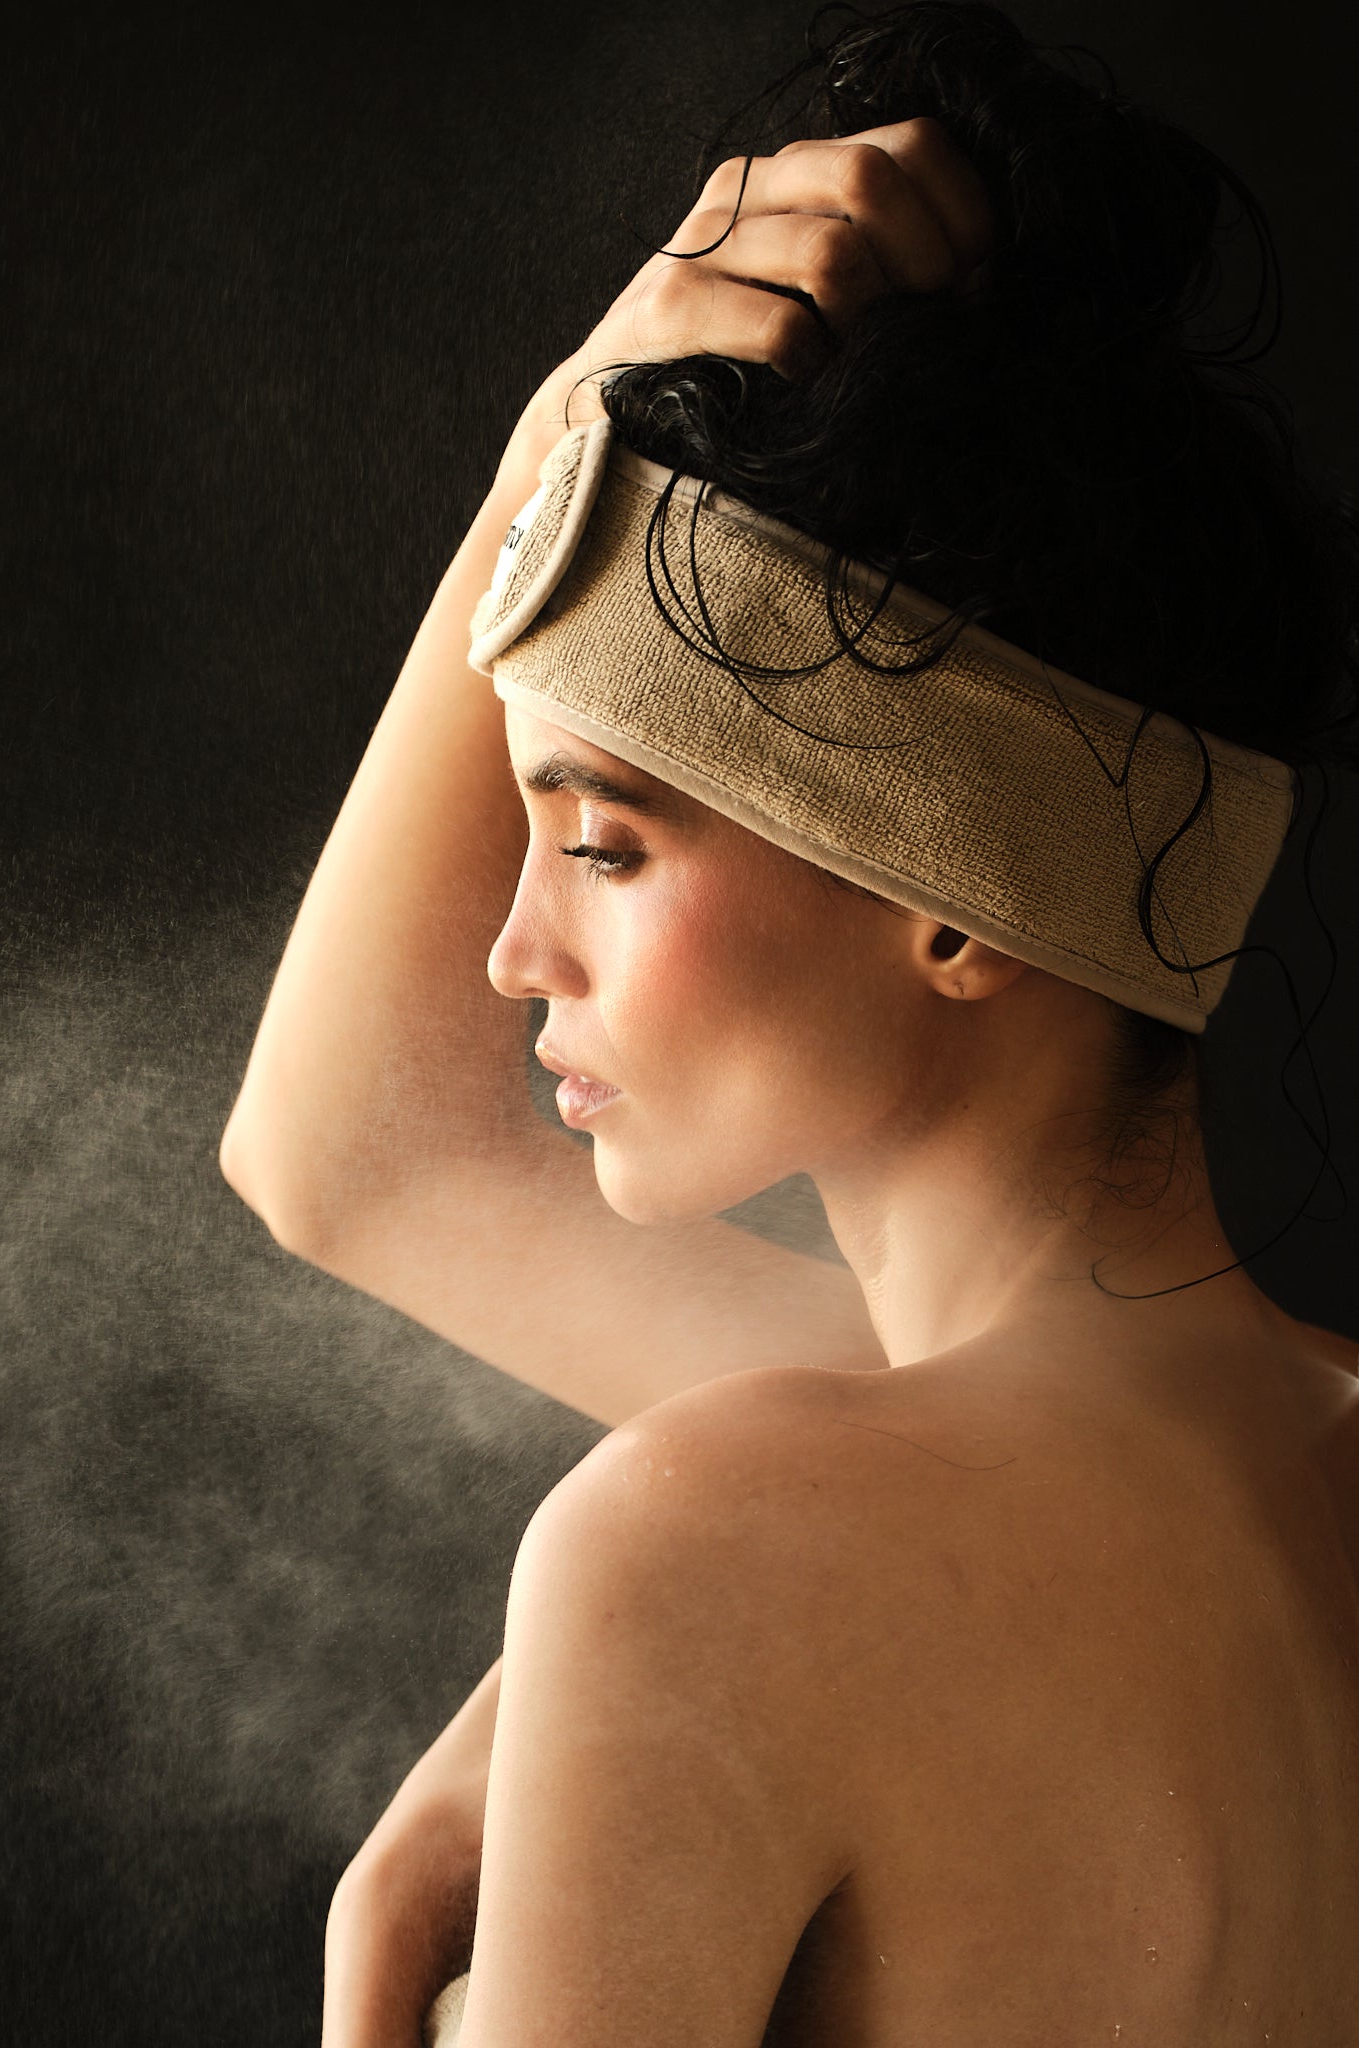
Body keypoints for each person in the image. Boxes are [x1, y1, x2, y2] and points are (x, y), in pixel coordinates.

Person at [218, 4, 1359, 2043]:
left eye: (607, 843)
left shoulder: (716, 1535)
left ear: (953, 898)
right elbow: (345, 1163)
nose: (506, 952)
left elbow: (348, 1152)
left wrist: (549, 453)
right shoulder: (1277, 1468)